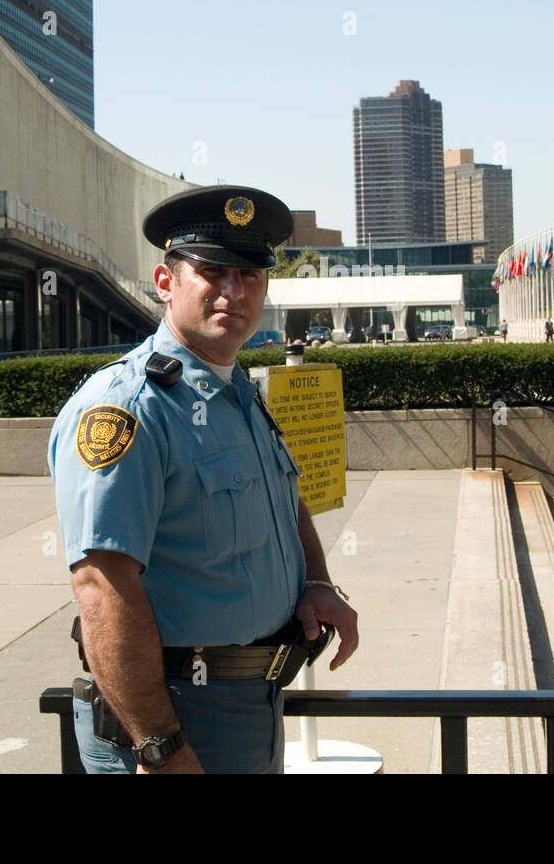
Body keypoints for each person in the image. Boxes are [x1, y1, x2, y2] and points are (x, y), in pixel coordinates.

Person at [49, 185, 359, 774]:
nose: (233, 291)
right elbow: (102, 587)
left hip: (251, 702)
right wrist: (159, 747)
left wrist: (316, 581)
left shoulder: (235, 390)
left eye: (249, 274)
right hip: (174, 718)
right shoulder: (129, 407)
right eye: (212, 271)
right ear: (166, 283)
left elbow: (283, 498)